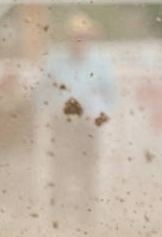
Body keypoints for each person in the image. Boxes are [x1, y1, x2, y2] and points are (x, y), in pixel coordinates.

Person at [36, 13, 117, 225]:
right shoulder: (55, 60)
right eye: (75, 37)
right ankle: (58, 217)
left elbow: (110, 93)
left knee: (87, 170)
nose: (79, 41)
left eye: (83, 37)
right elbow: (41, 90)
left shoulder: (99, 63)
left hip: (86, 124)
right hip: (61, 121)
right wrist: (46, 110)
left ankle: (86, 218)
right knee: (59, 169)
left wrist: (102, 115)